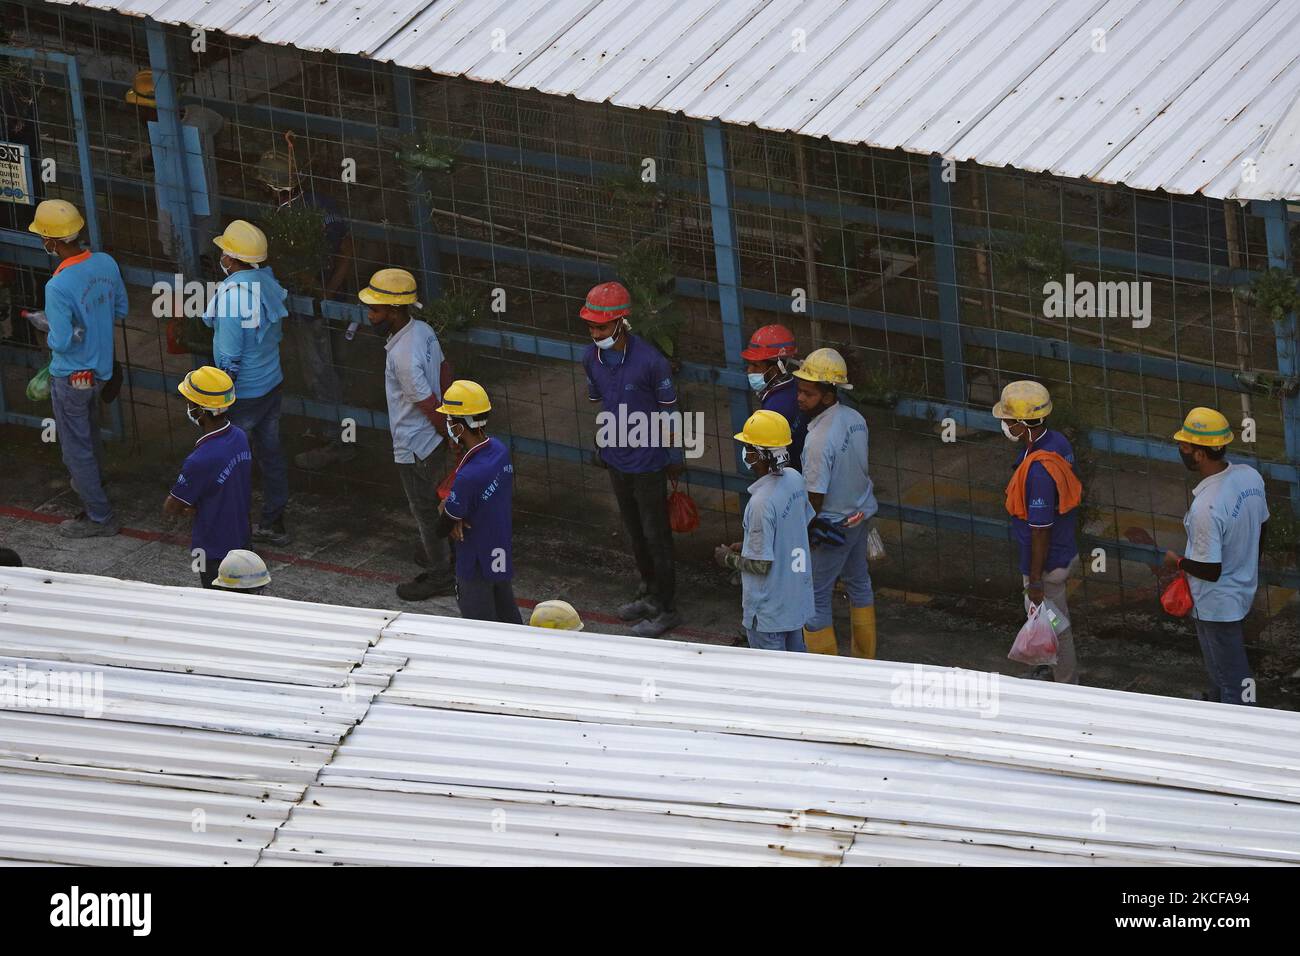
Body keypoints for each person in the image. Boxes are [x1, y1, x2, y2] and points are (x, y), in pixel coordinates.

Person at [581, 280, 683, 638]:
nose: (595, 333)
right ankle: (648, 592)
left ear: (621, 322)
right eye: (591, 326)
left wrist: (674, 454)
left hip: (649, 462)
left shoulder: (651, 363)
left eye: (602, 326)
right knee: (635, 533)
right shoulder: (590, 359)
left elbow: (671, 413)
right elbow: (603, 406)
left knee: (657, 536)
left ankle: (665, 607)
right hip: (616, 458)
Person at [29, 199, 128, 538]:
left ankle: (100, 516)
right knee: (90, 436)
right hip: (99, 372)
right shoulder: (105, 263)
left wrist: (45, 325)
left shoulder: (56, 286)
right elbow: (120, 308)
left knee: (76, 447)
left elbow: (60, 342)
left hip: (71, 376)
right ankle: (94, 487)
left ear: (51, 242)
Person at [256, 149, 357, 471]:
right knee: (333, 366)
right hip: (334, 300)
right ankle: (329, 424)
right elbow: (348, 250)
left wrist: (319, 292)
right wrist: (331, 291)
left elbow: (284, 263)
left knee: (319, 371)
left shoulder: (284, 218)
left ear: (272, 186)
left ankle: (336, 439)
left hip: (309, 307)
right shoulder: (325, 205)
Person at [359, 267, 455, 601]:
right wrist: (451, 429)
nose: (370, 315)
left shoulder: (401, 355)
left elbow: (427, 403)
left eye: (375, 309)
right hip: (433, 441)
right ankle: (441, 554)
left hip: (415, 445)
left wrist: (450, 434)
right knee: (435, 507)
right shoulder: (423, 331)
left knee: (425, 512)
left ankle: (441, 574)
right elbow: (444, 373)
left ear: (396, 310)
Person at [1162, 407, 1268, 706]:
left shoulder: (1206, 508)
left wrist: (1177, 561)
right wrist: (1247, 564)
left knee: (1231, 673)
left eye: (1185, 446)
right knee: (1223, 667)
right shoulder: (1249, 477)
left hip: (1216, 602)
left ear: (1200, 455)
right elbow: (1263, 524)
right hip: (1241, 587)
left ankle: (1238, 723)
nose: (1180, 450)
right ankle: (1219, 702)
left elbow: (1210, 570)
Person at [203, 219, 291, 545]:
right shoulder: (266, 283)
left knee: (231, 460)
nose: (221, 258)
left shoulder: (231, 298)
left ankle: (233, 528)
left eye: (224, 253)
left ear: (231, 258)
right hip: (271, 384)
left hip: (244, 394)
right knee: (270, 453)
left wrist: (219, 402)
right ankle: (273, 520)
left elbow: (228, 358)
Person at [994, 380, 1083, 684]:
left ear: (1022, 424)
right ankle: (1049, 668)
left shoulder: (1039, 470)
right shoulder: (1056, 443)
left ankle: (1066, 683)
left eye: (1007, 420)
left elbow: (1040, 531)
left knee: (1056, 623)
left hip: (1047, 562)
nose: (1004, 425)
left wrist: (1034, 582)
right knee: (1050, 620)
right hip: (1063, 550)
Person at [794, 348, 878, 658]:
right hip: (859, 515)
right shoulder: (855, 419)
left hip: (832, 526)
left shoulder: (817, 439)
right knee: (859, 583)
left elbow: (814, 495)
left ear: (828, 396)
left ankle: (825, 671)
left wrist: (800, 529)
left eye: (808, 393)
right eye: (800, 390)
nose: (800, 398)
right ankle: (865, 660)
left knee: (815, 597)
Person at [714, 410, 815, 652]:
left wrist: (727, 558)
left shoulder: (760, 504)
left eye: (748, 447)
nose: (745, 453)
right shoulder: (794, 479)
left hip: (769, 613)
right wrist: (748, 542)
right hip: (794, 602)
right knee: (796, 676)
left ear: (759, 454)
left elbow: (761, 565)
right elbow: (794, 526)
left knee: (771, 682)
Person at [437, 380, 522, 624]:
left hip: (475, 562)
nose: (448, 425)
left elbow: (441, 527)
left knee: (481, 628)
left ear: (460, 426)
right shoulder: (499, 450)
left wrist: (448, 512)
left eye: (450, 420)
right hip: (499, 549)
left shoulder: (468, 476)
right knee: (509, 618)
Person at [164, 366, 253, 589]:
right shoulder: (240, 437)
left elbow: (172, 507)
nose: (188, 407)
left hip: (214, 552)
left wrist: (189, 507)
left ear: (200, 411)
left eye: (189, 402)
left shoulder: (200, 460)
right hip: (242, 541)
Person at [125, 69, 225, 261]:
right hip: (195, 202)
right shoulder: (200, 116)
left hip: (190, 203)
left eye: (139, 108)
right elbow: (219, 125)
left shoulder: (189, 124)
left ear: (150, 109)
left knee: (189, 243)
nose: (136, 114)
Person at [740, 324, 807, 468]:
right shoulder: (794, 387)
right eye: (749, 365)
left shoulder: (774, 408)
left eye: (756, 366)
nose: (749, 371)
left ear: (776, 369)